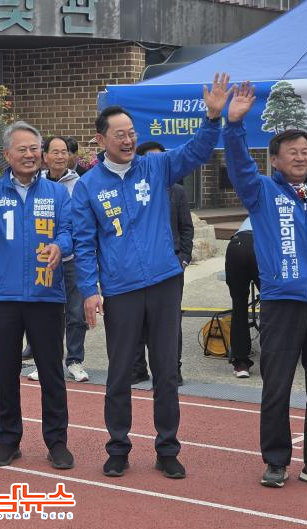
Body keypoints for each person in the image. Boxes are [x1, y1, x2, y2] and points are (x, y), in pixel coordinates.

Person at [73, 73, 232, 479]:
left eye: (132, 133)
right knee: (120, 373)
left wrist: (213, 118)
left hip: (163, 283)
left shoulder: (156, 167)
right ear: (101, 139)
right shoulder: (88, 187)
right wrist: (89, 290)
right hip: (121, 289)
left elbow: (196, 151)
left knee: (166, 372)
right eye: (120, 134)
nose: (128, 140)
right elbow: (84, 242)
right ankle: (118, 448)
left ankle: (167, 448)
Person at [224, 81, 307, 490]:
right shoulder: (261, 191)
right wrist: (234, 126)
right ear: (275, 161)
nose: (300, 157)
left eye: (305, 151)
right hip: (281, 304)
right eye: (292, 152)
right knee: (277, 387)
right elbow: (239, 165)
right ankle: (276, 460)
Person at [0, 121, 74, 470]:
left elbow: (69, 232)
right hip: (5, 296)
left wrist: (60, 246)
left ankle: (57, 442)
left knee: (51, 372)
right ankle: (8, 440)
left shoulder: (57, 193)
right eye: (23, 149)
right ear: (7, 154)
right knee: (6, 372)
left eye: (35, 148)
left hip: (46, 295)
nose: (30, 155)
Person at [26, 135, 89, 383]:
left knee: (76, 313)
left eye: (64, 152)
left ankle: (75, 360)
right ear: (45, 156)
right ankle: (46, 362)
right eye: (55, 152)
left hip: (73, 258)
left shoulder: (80, 183)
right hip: (42, 257)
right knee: (46, 314)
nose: (61, 156)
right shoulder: (34, 183)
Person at [132, 141, 194, 386]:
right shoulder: (131, 189)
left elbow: (186, 227)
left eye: (160, 158)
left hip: (171, 265)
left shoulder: (176, 191)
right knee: (137, 317)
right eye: (150, 159)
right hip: (138, 265)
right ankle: (137, 368)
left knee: (170, 321)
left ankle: (172, 370)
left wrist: (184, 258)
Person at [224, 216, 258, 378]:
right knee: (273, 305)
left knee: (239, 307)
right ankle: (274, 359)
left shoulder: (252, 213)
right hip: (261, 245)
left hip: (236, 245)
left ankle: (241, 364)